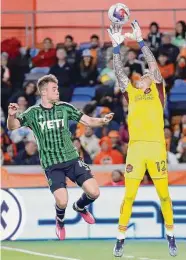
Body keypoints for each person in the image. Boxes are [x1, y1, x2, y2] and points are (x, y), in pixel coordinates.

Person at [7, 74, 114, 240]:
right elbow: (12, 126)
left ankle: (79, 207)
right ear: (43, 92)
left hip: (72, 159)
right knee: (62, 201)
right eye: (54, 89)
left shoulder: (64, 107)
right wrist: (11, 115)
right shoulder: (33, 113)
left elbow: (87, 121)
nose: (58, 91)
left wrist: (103, 120)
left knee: (94, 192)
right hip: (52, 164)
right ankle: (60, 220)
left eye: (57, 88)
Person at [107, 21, 177, 257]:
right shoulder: (132, 94)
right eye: (141, 76)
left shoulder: (158, 92)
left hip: (157, 148)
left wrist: (140, 40)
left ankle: (170, 235)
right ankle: (120, 238)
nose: (142, 76)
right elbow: (119, 72)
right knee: (129, 195)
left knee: (164, 194)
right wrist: (116, 47)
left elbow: (153, 66)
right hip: (136, 150)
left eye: (146, 75)